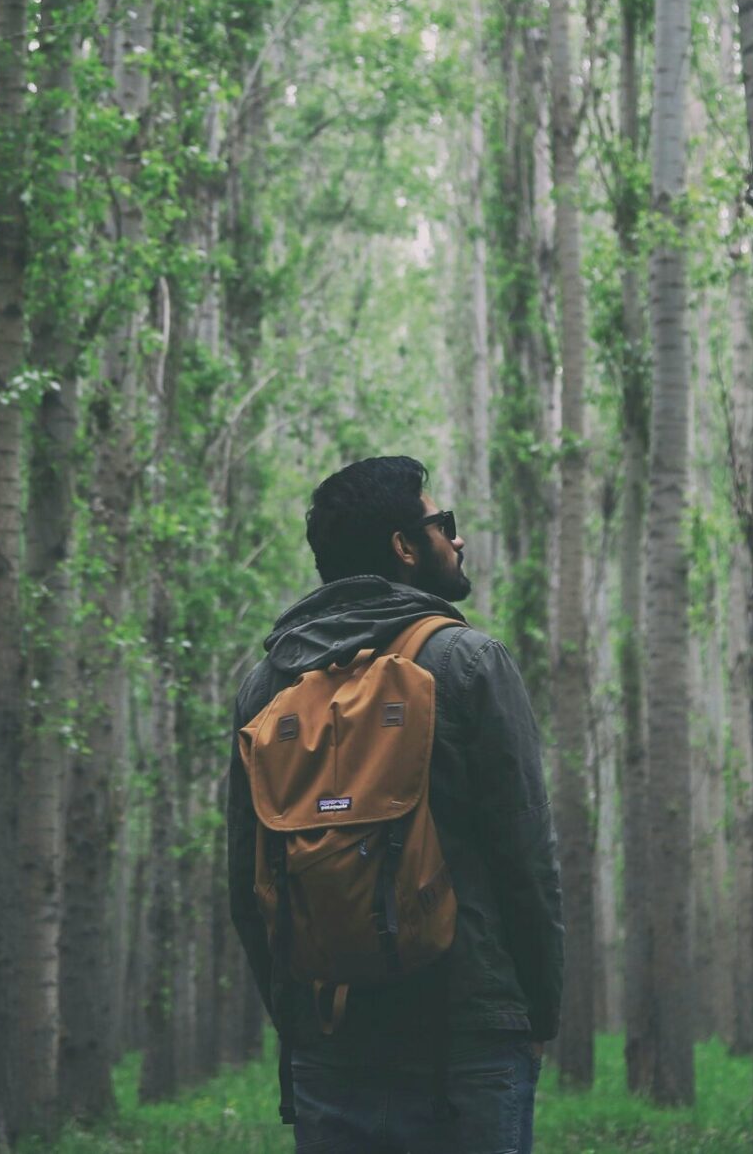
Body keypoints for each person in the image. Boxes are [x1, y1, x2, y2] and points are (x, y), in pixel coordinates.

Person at [226, 455, 564, 1154]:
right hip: (466, 1037)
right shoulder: (469, 662)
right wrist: (534, 1011)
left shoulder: (266, 688)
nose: (458, 539)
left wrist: (298, 1026)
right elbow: (526, 857)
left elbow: (247, 886)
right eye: (445, 524)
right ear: (405, 547)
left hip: (331, 1037)